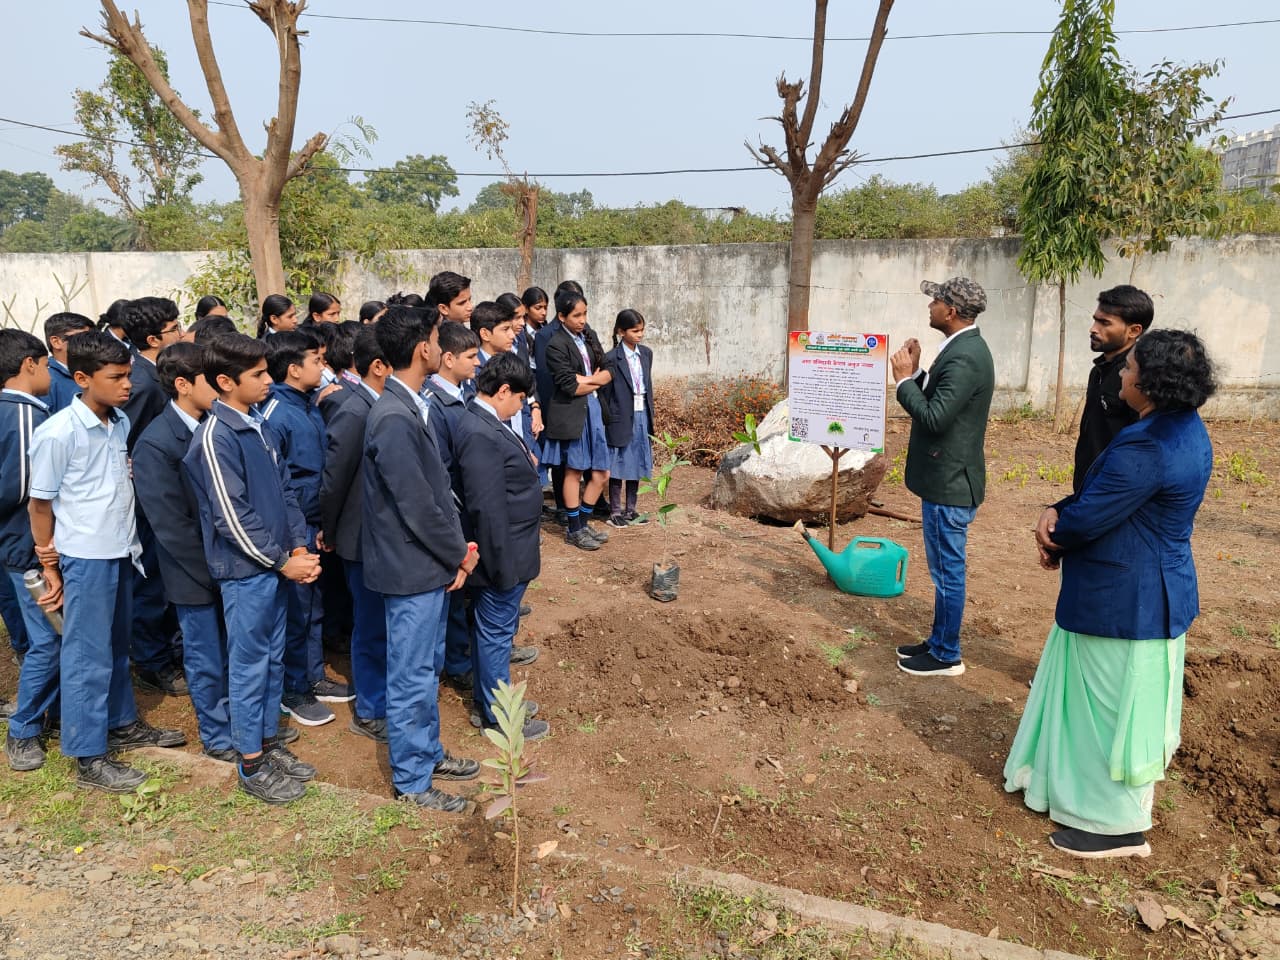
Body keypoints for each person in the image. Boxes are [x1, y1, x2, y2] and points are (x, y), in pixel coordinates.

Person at [1009, 329, 1217, 859]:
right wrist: (1063, 512)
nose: (1121, 373)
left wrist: (1052, 528)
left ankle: (1114, 827)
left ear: (1148, 384)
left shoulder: (1148, 444)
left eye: (1130, 368)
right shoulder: (1186, 429)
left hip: (1126, 598)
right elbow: (1108, 499)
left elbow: (1093, 514)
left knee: (1109, 715)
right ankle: (1079, 797)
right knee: (1113, 708)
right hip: (1150, 590)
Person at [28, 332, 186, 793]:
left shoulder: (116, 421)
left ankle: (121, 723)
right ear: (81, 378)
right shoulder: (58, 433)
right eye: (115, 377)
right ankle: (88, 754)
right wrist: (50, 564)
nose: (127, 385)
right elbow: (41, 505)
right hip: (85, 556)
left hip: (120, 550)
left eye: (128, 375)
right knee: (86, 656)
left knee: (117, 647)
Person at [183, 333, 320, 805]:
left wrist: (298, 545)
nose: (268, 380)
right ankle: (251, 762)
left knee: (271, 660)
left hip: (277, 566)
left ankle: (266, 743)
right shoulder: (216, 437)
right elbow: (231, 517)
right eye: (258, 375)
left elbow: (284, 493)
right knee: (248, 667)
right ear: (225, 381)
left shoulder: (257, 424)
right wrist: (283, 560)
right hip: (247, 573)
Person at [361, 305, 480, 812]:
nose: (440, 345)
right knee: (410, 675)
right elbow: (417, 504)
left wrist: (454, 555)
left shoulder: (409, 404)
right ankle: (411, 782)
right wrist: (458, 553)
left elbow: (436, 493)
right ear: (421, 350)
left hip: (425, 565)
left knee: (425, 668)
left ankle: (427, 754)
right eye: (435, 338)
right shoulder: (392, 416)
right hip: (410, 568)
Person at [131, 342, 235, 762]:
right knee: (206, 654)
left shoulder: (217, 424)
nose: (221, 387)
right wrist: (213, 572)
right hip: (195, 573)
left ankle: (242, 726)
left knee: (234, 652)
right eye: (211, 380)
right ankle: (217, 736)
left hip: (230, 566)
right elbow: (171, 526)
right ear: (182, 385)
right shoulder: (157, 443)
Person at [890, 277, 995, 678]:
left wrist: (902, 381)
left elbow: (934, 417)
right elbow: (940, 402)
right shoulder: (961, 349)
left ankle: (947, 653)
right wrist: (917, 375)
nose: (929, 306)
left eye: (935, 301)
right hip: (946, 480)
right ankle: (938, 641)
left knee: (947, 572)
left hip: (950, 484)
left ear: (950, 311)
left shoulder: (966, 356)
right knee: (943, 570)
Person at [455, 352, 548, 740]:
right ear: (504, 390)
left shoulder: (488, 422)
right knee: (494, 633)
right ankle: (499, 715)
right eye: (520, 400)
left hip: (512, 546)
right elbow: (486, 507)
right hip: (503, 553)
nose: (522, 408)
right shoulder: (479, 432)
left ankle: (489, 699)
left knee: (490, 631)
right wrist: (500, 566)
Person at [261, 330, 352, 727]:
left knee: (313, 606)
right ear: (294, 369)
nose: (324, 367)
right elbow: (279, 483)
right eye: (317, 361)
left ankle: (312, 675)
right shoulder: (275, 414)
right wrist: (297, 535)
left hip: (313, 520)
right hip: (292, 526)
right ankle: (292, 688)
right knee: (296, 609)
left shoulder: (309, 404)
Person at [319, 326, 390, 743]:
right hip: (359, 535)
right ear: (378, 366)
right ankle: (370, 708)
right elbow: (334, 481)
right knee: (370, 624)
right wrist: (330, 530)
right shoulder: (353, 410)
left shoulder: (378, 405)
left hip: (377, 534)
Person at [120, 297, 188, 697]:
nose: (180, 334)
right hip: (147, 497)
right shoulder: (142, 383)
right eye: (173, 329)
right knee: (150, 582)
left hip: (160, 490)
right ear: (151, 338)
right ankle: (152, 661)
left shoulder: (151, 374)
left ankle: (166, 651)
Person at [0, 329, 57, 770]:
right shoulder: (21, 413)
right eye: (45, 364)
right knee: (49, 640)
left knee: (45, 636)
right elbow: (23, 489)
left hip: (18, 544)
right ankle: (23, 728)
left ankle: (44, 715)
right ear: (29, 365)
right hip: (27, 545)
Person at [423, 321, 484, 695]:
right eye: (471, 356)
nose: (477, 363)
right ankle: (457, 663)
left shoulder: (463, 395)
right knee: (453, 588)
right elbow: (443, 471)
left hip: (469, 506)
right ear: (448, 358)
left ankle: (464, 654)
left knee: (466, 587)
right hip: (456, 510)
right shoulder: (436, 405)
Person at [541, 288, 613, 550]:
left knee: (601, 473)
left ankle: (581, 522)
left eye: (584, 314)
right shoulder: (555, 344)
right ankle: (574, 529)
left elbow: (610, 369)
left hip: (593, 410)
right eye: (576, 315)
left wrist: (588, 380)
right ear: (562, 317)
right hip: (572, 412)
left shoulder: (589, 336)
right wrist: (596, 379)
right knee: (574, 470)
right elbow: (569, 386)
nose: (582, 320)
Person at [1073, 285, 1153, 491]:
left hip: (1113, 490)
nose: (1093, 328)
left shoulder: (1139, 380)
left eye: (1104, 323)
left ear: (1134, 331)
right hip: (1088, 486)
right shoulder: (1099, 371)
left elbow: (1142, 450)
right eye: (1095, 319)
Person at [603, 309, 654, 528]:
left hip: (641, 411)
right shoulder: (612, 358)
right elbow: (605, 394)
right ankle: (615, 511)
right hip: (621, 415)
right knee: (619, 461)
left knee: (637, 461)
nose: (639, 335)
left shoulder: (646, 353)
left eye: (642, 330)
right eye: (635, 331)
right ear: (621, 332)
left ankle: (631, 508)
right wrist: (609, 418)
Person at [42, 312, 94, 414]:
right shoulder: (46, 381)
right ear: (56, 342)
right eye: (80, 338)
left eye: (90, 338)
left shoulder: (94, 371)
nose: (89, 344)